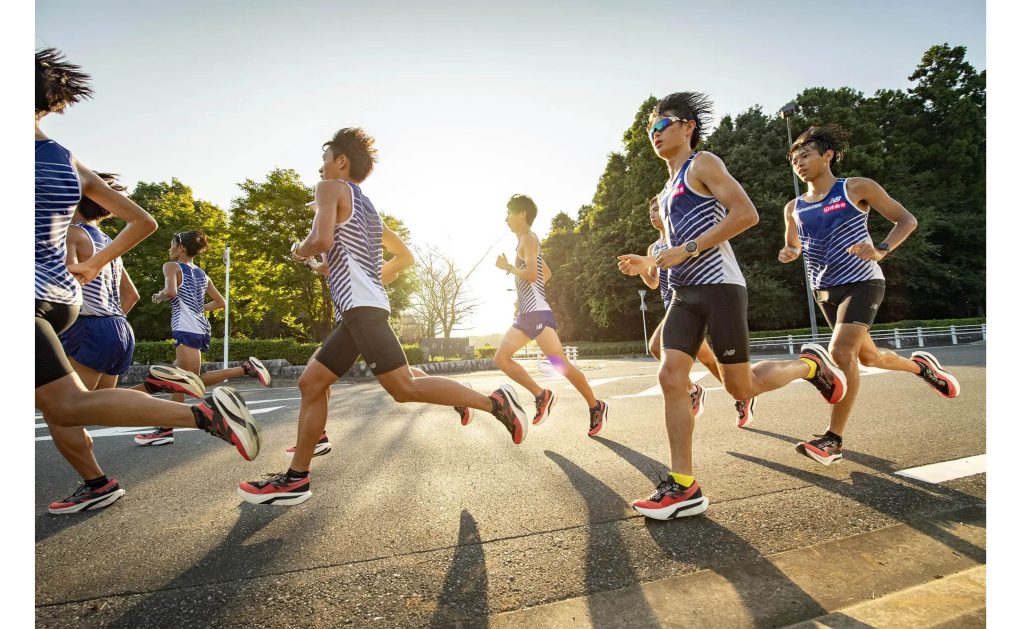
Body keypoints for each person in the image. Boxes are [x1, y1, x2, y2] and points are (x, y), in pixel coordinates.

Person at [238, 128, 528, 505]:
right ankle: (296, 479)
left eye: (324, 160)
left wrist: (298, 250)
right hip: (361, 307)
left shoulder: (328, 189)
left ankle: (496, 404)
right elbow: (398, 257)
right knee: (311, 384)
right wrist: (347, 273)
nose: (321, 168)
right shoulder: (369, 211)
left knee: (403, 387)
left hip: (361, 308)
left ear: (341, 161)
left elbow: (321, 241)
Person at [35, 48, 261, 514]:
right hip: (74, 305)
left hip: (62, 308)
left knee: (72, 405)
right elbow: (143, 225)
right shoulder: (66, 160)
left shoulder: (164, 263)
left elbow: (169, 290)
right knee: (69, 405)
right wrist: (97, 266)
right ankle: (176, 406)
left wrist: (164, 293)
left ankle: (185, 405)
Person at [623, 92, 847, 520]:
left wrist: (687, 248)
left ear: (687, 126)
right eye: (648, 129)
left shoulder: (702, 164)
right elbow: (670, 252)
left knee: (739, 388)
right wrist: (651, 262)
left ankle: (810, 367)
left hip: (721, 288)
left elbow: (746, 214)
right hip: (685, 295)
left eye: (660, 124)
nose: (653, 134)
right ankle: (684, 485)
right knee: (670, 374)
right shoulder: (666, 188)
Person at [782, 124, 960, 466]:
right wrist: (790, 252)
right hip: (824, 289)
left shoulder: (855, 188)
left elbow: (906, 220)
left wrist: (881, 249)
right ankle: (922, 368)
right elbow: (794, 244)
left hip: (862, 281)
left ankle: (832, 440)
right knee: (869, 358)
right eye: (794, 159)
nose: (799, 163)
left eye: (805, 155)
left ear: (827, 155)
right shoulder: (793, 207)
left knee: (840, 351)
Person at [618, 197, 758, 427]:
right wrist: (642, 271)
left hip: (689, 301)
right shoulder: (654, 247)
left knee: (657, 346)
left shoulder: (681, 236)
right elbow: (653, 282)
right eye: (650, 212)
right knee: (709, 360)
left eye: (656, 209)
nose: (653, 215)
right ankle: (732, 393)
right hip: (671, 306)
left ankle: (723, 392)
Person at [134, 231, 272, 446]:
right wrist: (199, 308)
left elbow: (171, 292)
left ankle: (246, 369)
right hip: (199, 328)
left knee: (190, 381)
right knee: (177, 380)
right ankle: (165, 428)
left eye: (171, 245)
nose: (169, 249)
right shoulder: (201, 274)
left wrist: (159, 296)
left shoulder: (171, 267)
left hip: (185, 327)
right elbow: (220, 302)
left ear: (180, 248)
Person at [493, 194, 609, 436]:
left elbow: (535, 275)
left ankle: (596, 405)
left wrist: (509, 268)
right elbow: (546, 273)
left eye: (509, 213)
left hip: (536, 314)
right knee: (502, 358)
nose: (506, 219)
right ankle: (541, 394)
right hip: (527, 314)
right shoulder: (524, 243)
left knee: (561, 365)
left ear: (522, 214)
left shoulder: (529, 238)